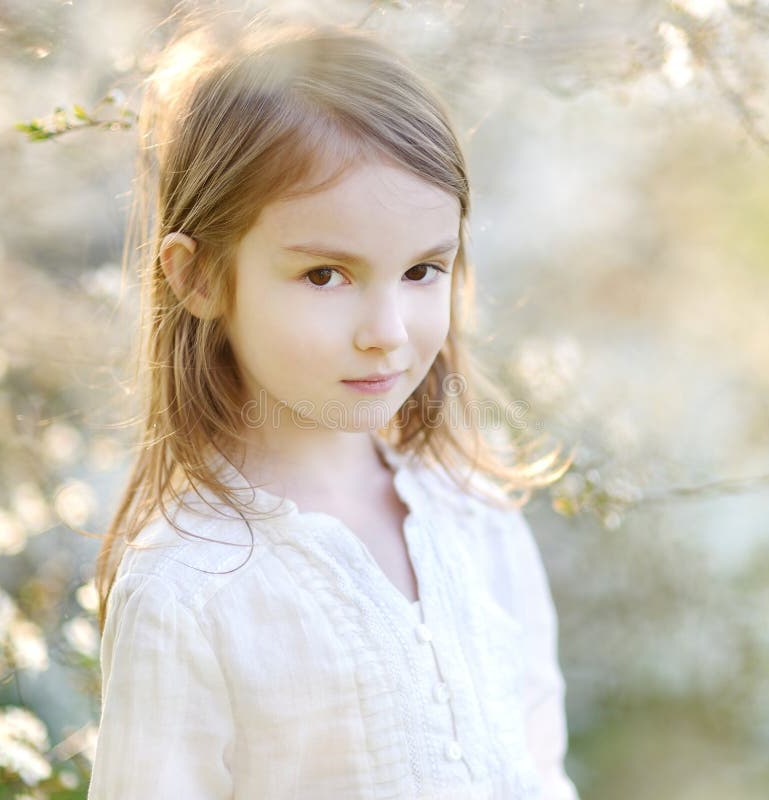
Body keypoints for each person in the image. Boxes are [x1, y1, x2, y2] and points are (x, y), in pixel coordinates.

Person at [88, 8, 579, 800]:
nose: (386, 333)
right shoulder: (189, 587)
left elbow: (541, 770)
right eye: (326, 275)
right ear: (199, 277)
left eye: (423, 270)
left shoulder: (475, 515)